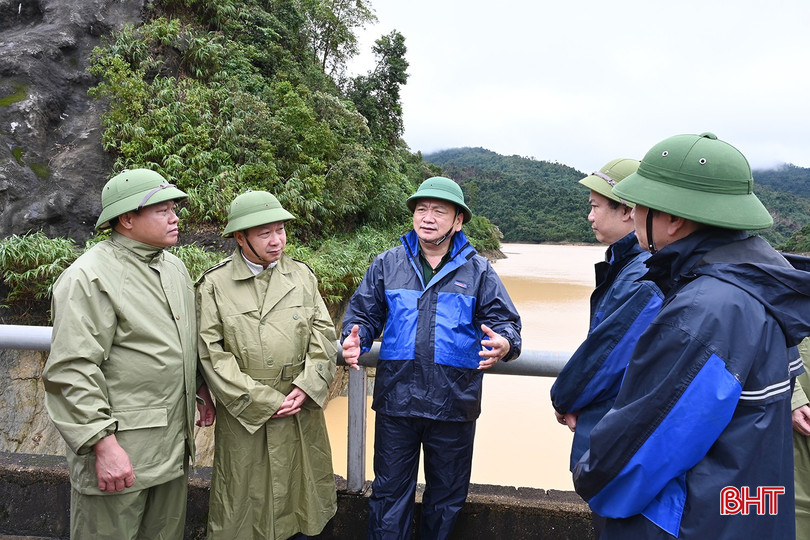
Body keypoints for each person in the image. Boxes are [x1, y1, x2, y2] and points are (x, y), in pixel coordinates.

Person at [572, 132, 810, 538]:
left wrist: (590, 475)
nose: (634, 214)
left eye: (641, 204)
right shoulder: (761, 286)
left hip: (687, 518)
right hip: (744, 509)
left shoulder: (705, 310)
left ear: (674, 218)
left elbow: (643, 447)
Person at [340, 176, 522, 540]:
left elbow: (506, 323)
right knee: (389, 495)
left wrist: (505, 343)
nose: (427, 217)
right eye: (421, 209)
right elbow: (363, 315)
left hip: (453, 405)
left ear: (457, 221)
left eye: (439, 210)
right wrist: (352, 338)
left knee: (446, 499)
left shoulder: (479, 271)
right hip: (397, 403)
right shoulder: (387, 264)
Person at [43, 168, 216, 539]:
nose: (175, 218)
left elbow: (183, 340)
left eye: (174, 208)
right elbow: (72, 370)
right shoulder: (88, 278)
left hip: (171, 447)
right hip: (122, 451)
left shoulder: (174, 268)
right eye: (162, 210)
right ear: (127, 219)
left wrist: (200, 387)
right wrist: (102, 445)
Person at [196, 190, 338, 540]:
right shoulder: (215, 284)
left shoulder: (302, 276)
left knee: (304, 497)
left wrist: (306, 386)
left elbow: (324, 333)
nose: (277, 241)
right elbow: (211, 352)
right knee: (245, 502)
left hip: (299, 406)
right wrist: (263, 401)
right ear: (240, 237)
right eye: (265, 233)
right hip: (246, 412)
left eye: (281, 230)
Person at [550, 158, 663, 533]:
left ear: (629, 210)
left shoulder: (644, 272)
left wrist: (565, 398)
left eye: (596, 206)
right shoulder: (629, 264)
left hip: (619, 432)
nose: (590, 216)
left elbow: (609, 352)